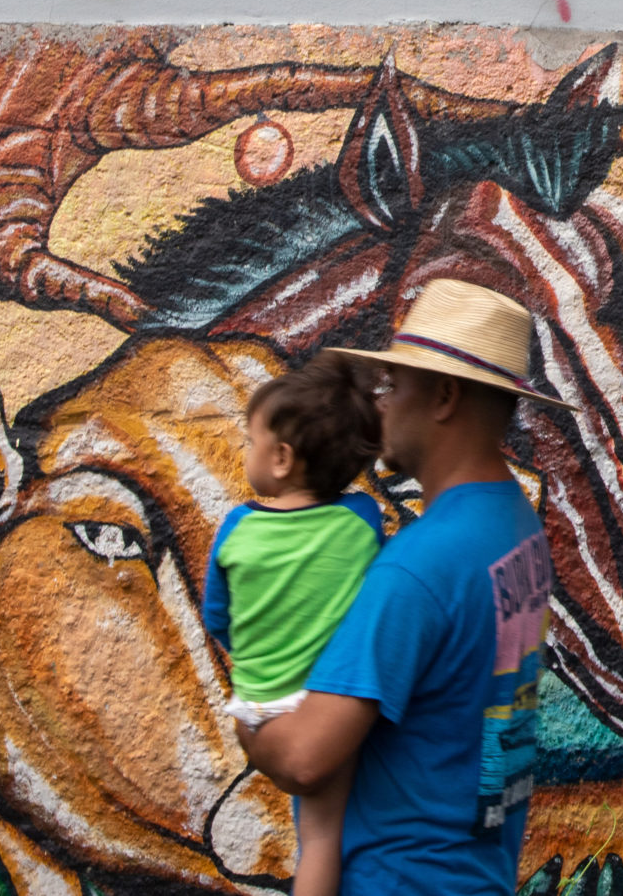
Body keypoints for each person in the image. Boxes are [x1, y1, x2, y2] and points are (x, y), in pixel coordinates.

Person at [237, 279, 559, 896]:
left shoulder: (418, 566)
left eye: (393, 386)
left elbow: (306, 758)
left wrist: (248, 714)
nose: (380, 404)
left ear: (443, 396)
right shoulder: (517, 526)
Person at [203, 353, 386, 896]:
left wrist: (260, 649)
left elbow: (219, 618)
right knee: (324, 835)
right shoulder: (361, 521)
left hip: (259, 705)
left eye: (250, 440)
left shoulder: (238, 527)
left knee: (314, 832)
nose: (245, 451)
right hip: (326, 708)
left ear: (281, 458)